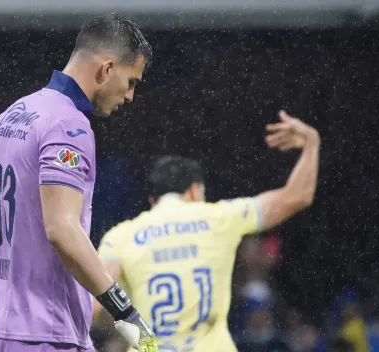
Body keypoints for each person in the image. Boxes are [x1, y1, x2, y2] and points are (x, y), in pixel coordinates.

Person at [0, 13, 158, 352]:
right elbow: (62, 229)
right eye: (131, 82)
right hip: (50, 334)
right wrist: (126, 312)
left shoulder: (12, 114)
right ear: (106, 69)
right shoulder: (68, 125)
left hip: (7, 334)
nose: (130, 97)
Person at [96, 111, 321, 351]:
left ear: (153, 200)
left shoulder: (120, 237)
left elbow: (94, 303)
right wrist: (311, 143)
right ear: (194, 191)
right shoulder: (220, 217)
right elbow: (297, 196)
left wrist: (140, 340)